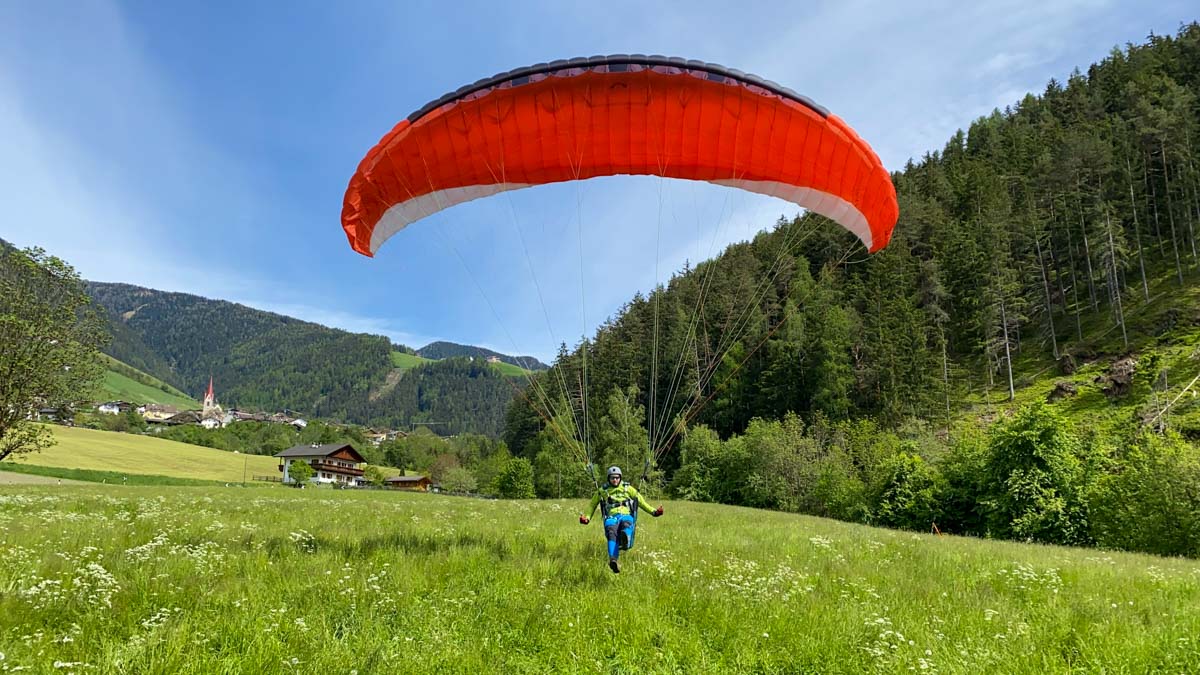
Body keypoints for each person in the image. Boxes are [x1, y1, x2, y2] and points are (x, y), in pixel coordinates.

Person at [579, 466, 663, 573]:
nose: (615, 480)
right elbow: (592, 505)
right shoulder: (602, 491)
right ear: (608, 478)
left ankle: (625, 540)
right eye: (612, 478)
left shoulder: (628, 489)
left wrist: (654, 512)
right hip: (611, 517)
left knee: (626, 524)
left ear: (620, 478)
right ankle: (613, 560)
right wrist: (587, 518)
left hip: (625, 515)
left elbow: (641, 502)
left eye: (617, 478)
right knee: (611, 531)